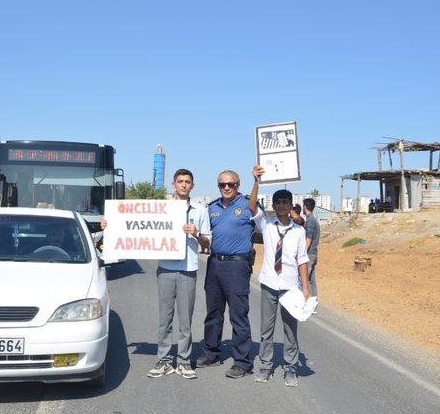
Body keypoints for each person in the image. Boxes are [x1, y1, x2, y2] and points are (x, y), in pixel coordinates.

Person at [101, 169, 211, 380]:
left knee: (186, 320)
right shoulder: (162, 208)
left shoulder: (200, 210)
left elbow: (207, 243)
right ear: (173, 184)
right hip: (166, 270)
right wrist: (110, 225)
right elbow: (133, 223)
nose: (184, 185)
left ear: (192, 186)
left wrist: (195, 233)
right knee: (165, 319)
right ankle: (163, 361)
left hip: (188, 270)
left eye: (187, 182)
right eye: (180, 181)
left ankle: (185, 362)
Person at [248, 165, 310, 387]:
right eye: (278, 202)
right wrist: (256, 181)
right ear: (274, 206)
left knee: (290, 329)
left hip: (290, 287)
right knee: (266, 329)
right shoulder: (266, 225)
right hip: (269, 284)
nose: (282, 206)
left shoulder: (299, 232)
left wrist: (305, 288)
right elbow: (251, 205)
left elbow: (302, 260)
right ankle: (265, 366)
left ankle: (291, 366)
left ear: (290, 205)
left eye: (285, 202)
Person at [196, 170, 256, 378]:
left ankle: (243, 362)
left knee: (238, 315)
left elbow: (257, 212)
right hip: (214, 264)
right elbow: (203, 236)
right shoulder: (211, 208)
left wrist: (257, 181)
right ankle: (210, 354)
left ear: (238, 185)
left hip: (237, 267)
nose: (227, 188)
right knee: (213, 313)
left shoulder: (248, 205)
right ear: (218, 186)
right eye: (222, 185)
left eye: (231, 184)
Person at [303, 198, 320, 298]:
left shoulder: (310, 221)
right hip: (313, 254)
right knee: (312, 280)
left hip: (309, 254)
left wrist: (302, 253)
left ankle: (308, 302)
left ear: (305, 207)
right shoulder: (314, 220)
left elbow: (308, 238)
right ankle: (314, 304)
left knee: (305, 279)